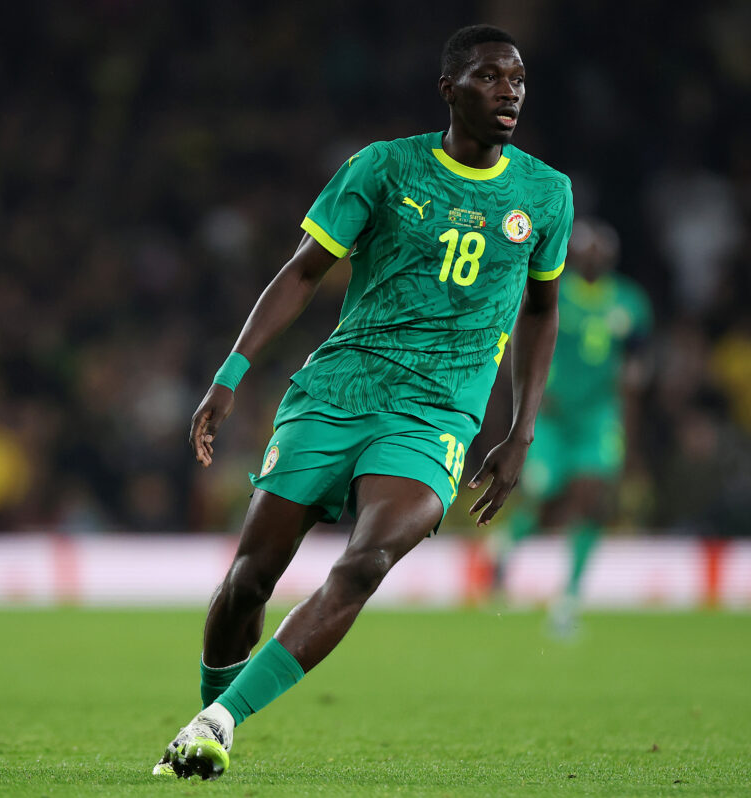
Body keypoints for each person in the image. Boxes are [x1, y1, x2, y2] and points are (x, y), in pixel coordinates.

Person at [154, 24, 574, 779]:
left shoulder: (546, 194)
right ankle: (205, 713)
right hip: (338, 392)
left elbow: (542, 312)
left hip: (437, 414)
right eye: (488, 77)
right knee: (249, 580)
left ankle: (219, 722)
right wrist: (229, 375)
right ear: (450, 89)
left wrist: (521, 429)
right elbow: (303, 271)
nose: (508, 91)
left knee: (369, 559)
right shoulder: (383, 167)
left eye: (517, 79)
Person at [491, 219, 651, 636]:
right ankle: (506, 547)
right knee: (545, 497)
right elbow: (520, 345)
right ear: (574, 254)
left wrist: (630, 438)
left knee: (591, 496)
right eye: (586, 249)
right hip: (552, 416)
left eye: (600, 250)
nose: (593, 256)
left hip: (599, 415)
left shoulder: (630, 303)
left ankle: (570, 597)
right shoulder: (549, 290)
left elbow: (635, 373)